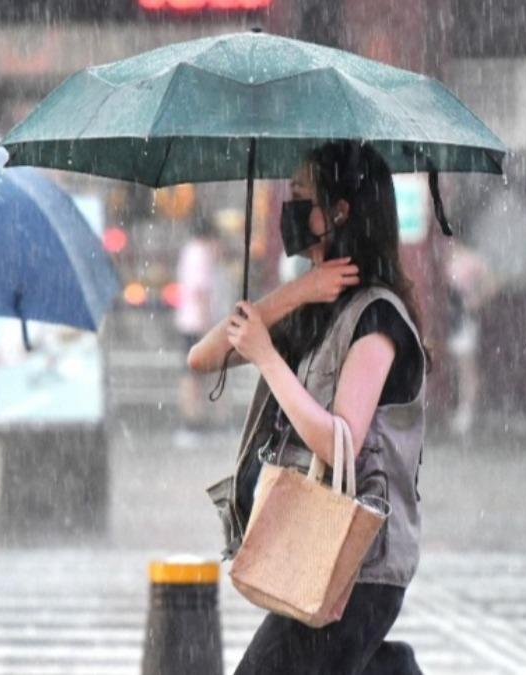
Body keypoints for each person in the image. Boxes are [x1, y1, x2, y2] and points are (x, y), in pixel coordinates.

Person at [191, 141, 427, 674]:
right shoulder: (315, 307)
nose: (288, 209)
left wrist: (268, 358)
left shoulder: (376, 320)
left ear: (338, 211)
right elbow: (202, 358)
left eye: (300, 196)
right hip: (312, 548)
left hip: (356, 563)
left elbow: (338, 440)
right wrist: (294, 294)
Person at [174, 215, 223, 437]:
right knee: (194, 375)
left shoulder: (189, 250)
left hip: (187, 321)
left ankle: (192, 420)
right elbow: (201, 292)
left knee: (191, 373)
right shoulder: (201, 254)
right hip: (197, 323)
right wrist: (207, 328)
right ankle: (193, 421)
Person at [445, 244, 498, 436]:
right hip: (450, 318)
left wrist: (474, 301)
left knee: (466, 366)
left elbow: (491, 283)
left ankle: (466, 410)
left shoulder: (469, 260)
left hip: (462, 319)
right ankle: (461, 408)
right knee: (458, 366)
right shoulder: (445, 258)